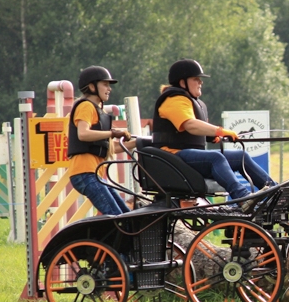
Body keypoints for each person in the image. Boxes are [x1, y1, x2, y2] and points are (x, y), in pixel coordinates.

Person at [152, 59, 276, 208]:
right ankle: (242, 198)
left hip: (188, 155)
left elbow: (196, 131)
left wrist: (214, 136)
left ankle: (275, 193)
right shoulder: (174, 100)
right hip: (172, 156)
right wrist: (220, 131)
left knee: (240, 156)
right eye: (195, 79)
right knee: (215, 158)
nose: (200, 82)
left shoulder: (190, 101)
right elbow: (190, 125)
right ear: (182, 82)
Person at [67, 65, 135, 216]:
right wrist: (112, 133)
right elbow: (83, 134)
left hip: (94, 174)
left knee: (125, 214)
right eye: (105, 84)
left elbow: (111, 147)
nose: (109, 88)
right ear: (92, 87)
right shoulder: (86, 106)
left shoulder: (99, 111)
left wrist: (139, 143)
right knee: (117, 217)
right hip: (85, 173)